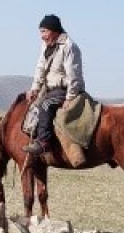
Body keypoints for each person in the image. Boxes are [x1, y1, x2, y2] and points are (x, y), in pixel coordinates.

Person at [23, 14, 85, 155]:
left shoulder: (69, 46)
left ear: (54, 30)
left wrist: (70, 98)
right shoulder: (46, 45)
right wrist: (34, 89)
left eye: (44, 31)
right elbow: (40, 67)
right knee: (31, 108)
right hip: (49, 88)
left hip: (64, 89)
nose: (42, 35)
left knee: (45, 105)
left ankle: (43, 143)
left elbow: (73, 75)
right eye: (41, 31)